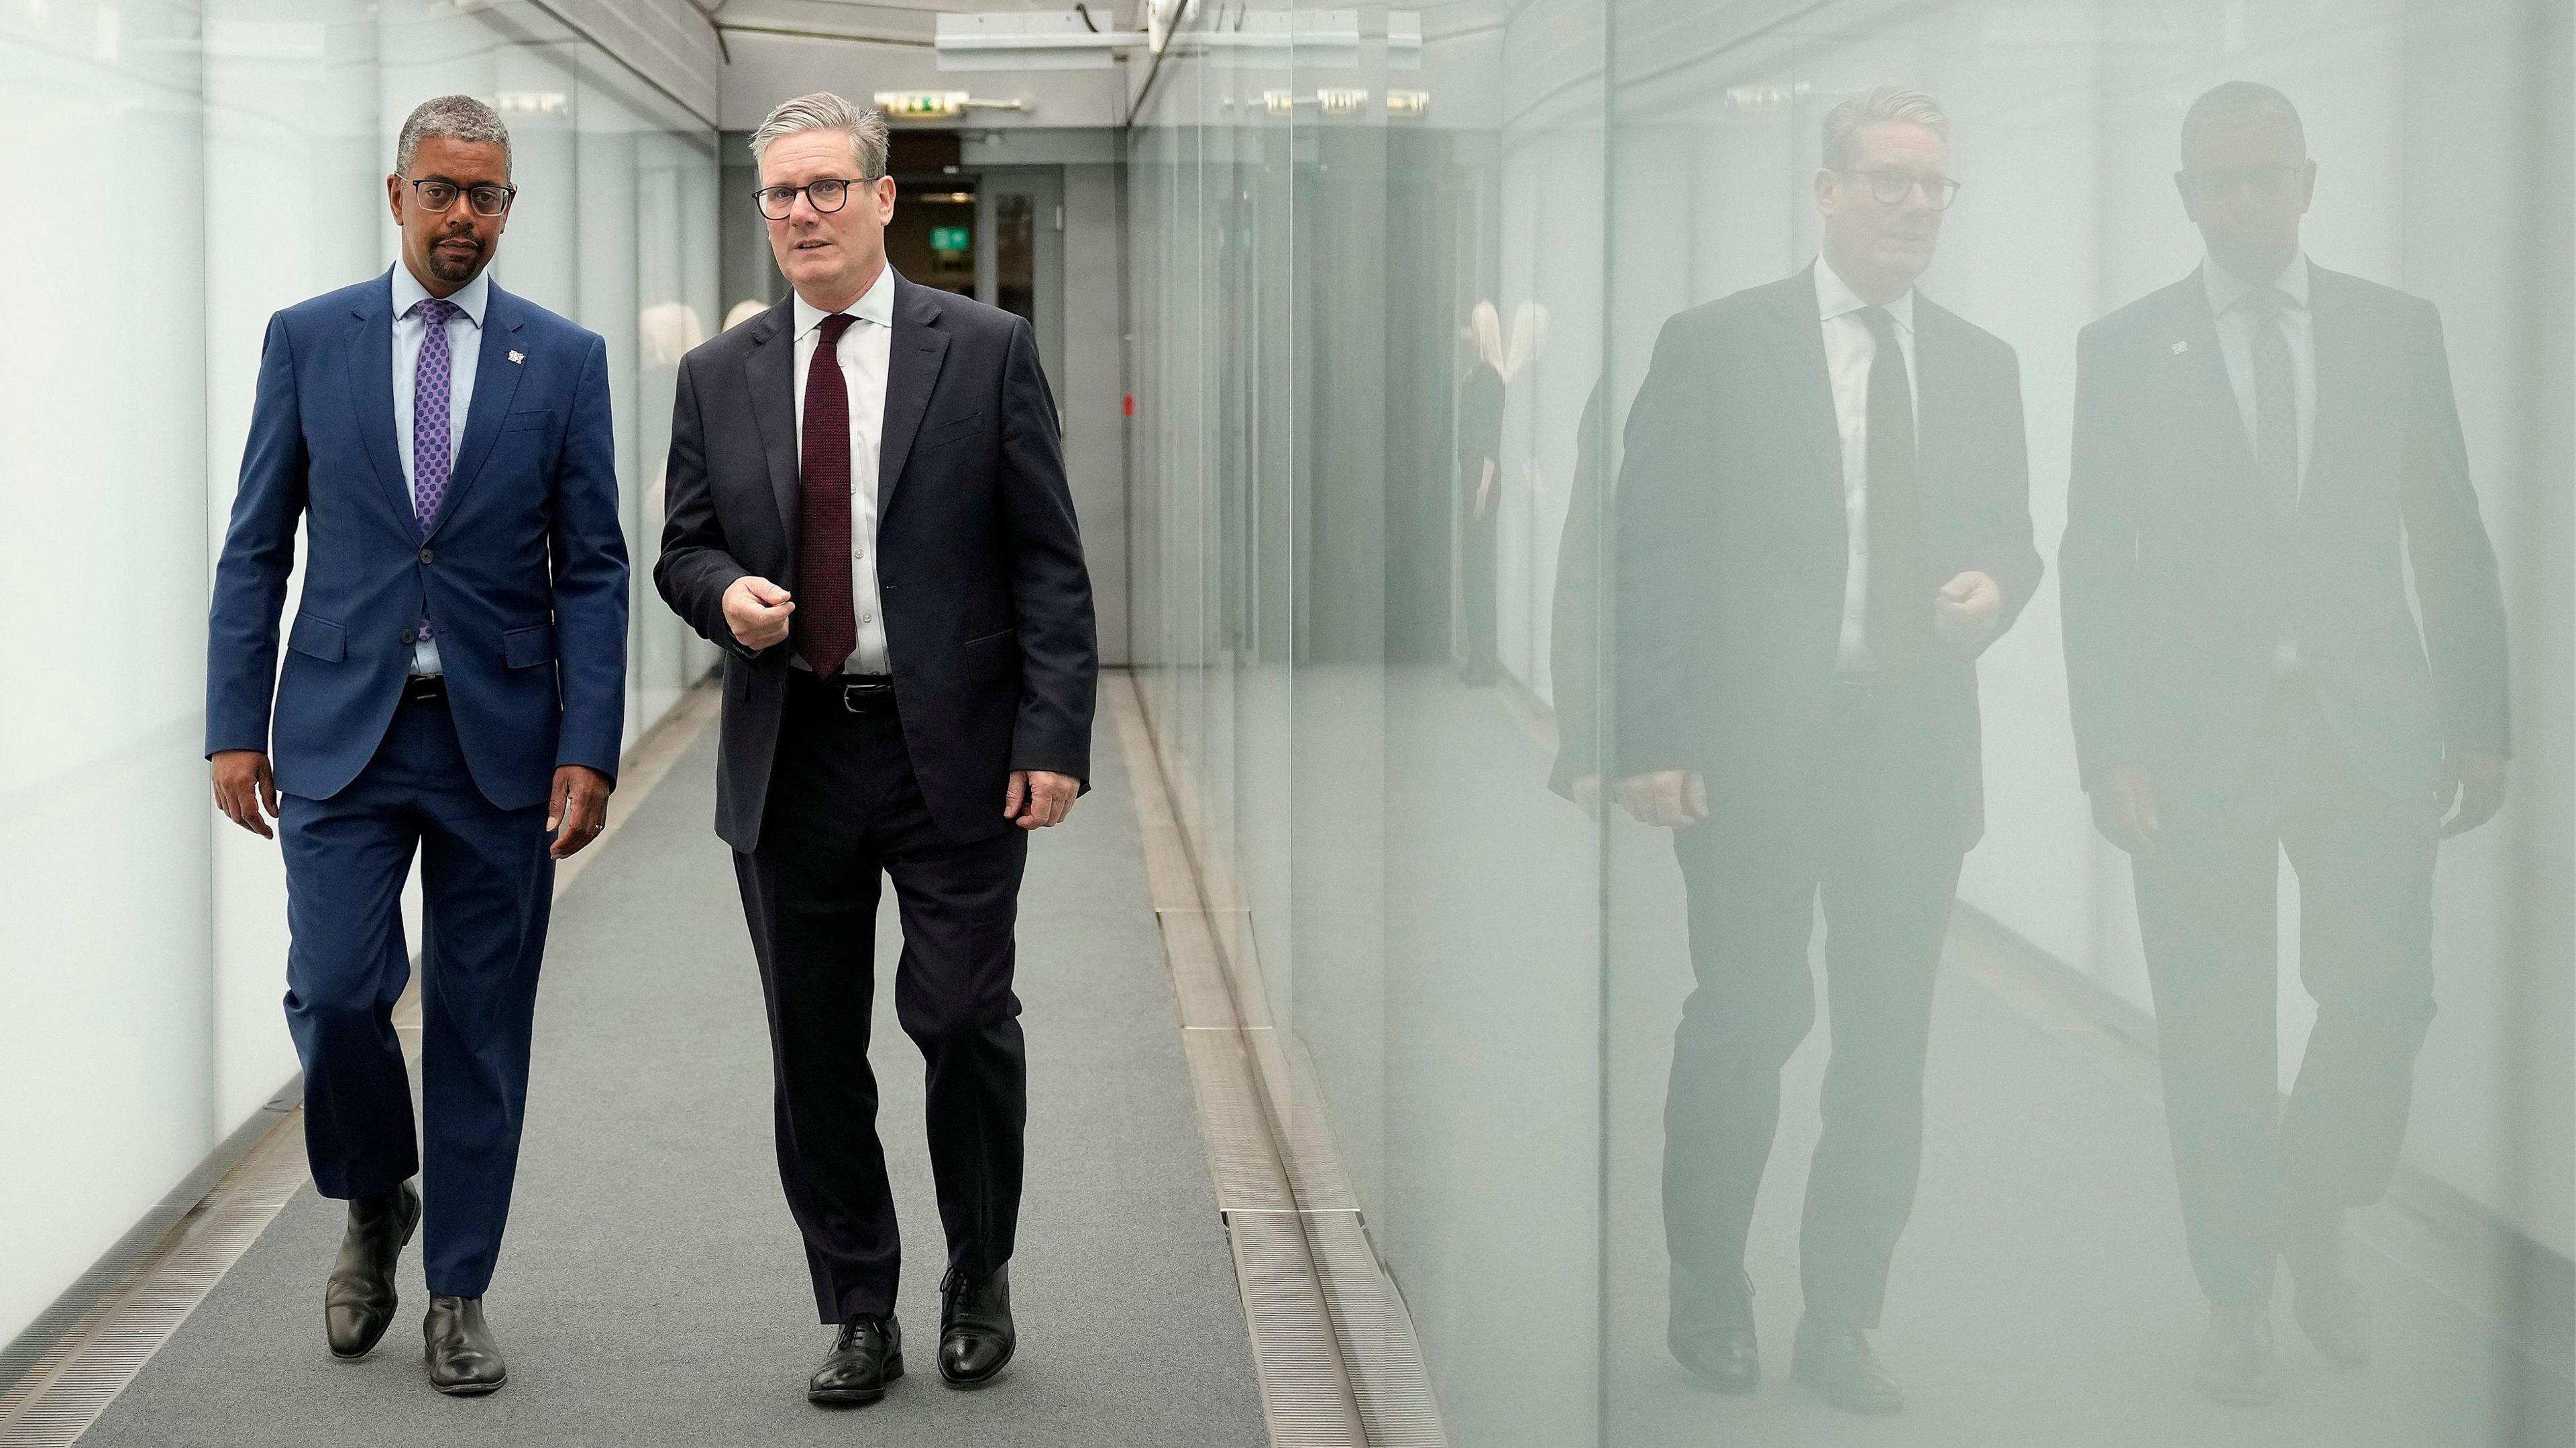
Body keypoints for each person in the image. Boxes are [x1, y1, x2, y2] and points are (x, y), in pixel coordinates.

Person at [2059, 80, 2510, 1406]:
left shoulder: (2394, 332)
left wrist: (2482, 721)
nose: (2249, 203)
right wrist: (2109, 747)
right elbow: (2097, 561)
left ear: (2309, 183)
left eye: (2270, 177)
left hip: (2371, 736)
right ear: (2187, 198)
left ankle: (2310, 1209)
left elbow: (2451, 533)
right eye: (2223, 182)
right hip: (2193, 748)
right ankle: (2239, 1299)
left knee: (2385, 997)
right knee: (2215, 1033)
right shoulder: (2126, 349)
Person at [653, 93, 1097, 1408]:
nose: (799, 213)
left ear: (883, 199)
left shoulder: (987, 348)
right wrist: (723, 594)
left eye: (824, 189)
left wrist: (1054, 734)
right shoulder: (717, 375)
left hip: (952, 751)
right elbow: (682, 545)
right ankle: (857, 1305)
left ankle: (977, 1271)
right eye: (779, 194)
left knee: (962, 1018)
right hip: (792, 754)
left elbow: (1049, 566)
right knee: (815, 1047)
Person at [1614, 85, 2039, 1416]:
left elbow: (2014, 536)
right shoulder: (1720, 343)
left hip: (1906, 755)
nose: (1918, 206)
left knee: (1885, 1044)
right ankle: (1708, 1287)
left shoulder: (1979, 362)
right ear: (1829, 189)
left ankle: (1844, 1316)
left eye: (1936, 185)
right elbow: (1650, 555)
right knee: (1746, 1022)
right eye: (1892, 181)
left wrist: (1996, 589)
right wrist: (1652, 734)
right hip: (1752, 752)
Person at [205, 94, 628, 1395]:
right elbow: (259, 544)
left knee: (481, 1025)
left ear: (509, 207)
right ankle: (375, 1192)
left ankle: (457, 1290)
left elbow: (595, 568)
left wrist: (591, 744)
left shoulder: (562, 358)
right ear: (396, 196)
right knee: (336, 995)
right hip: (341, 734)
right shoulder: (310, 340)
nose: (464, 216)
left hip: (501, 740)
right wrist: (234, 726)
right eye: (442, 191)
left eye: (487, 196)